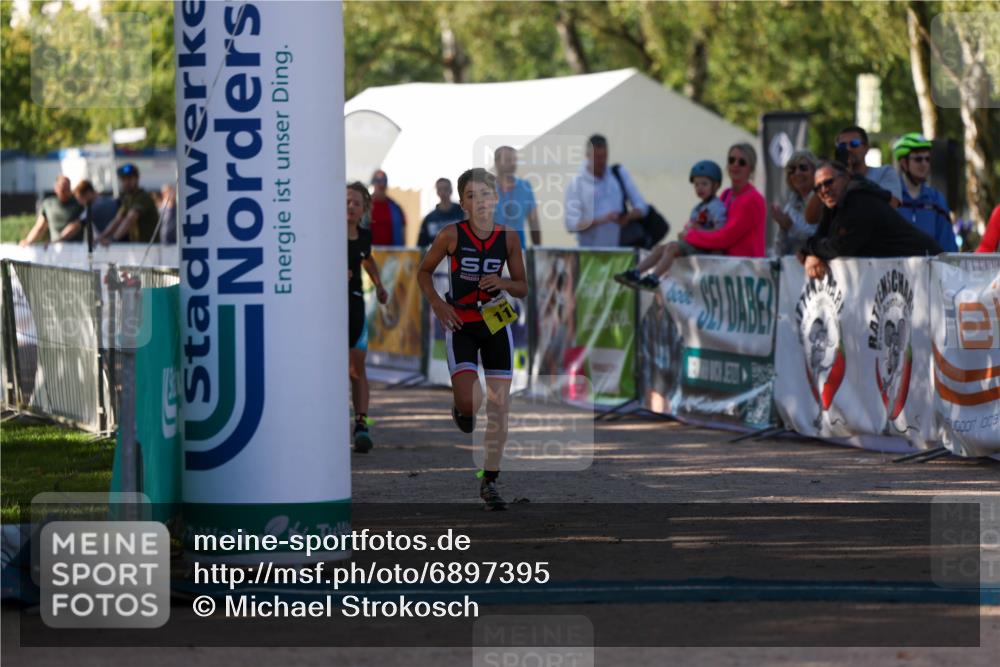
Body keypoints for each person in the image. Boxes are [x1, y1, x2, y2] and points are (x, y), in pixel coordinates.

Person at [416, 168, 528, 510]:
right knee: (470, 404)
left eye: (485, 194)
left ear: (496, 199)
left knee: (499, 407)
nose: (479, 201)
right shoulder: (451, 234)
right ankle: (461, 405)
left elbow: (522, 287)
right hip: (460, 322)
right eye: (471, 196)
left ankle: (490, 481)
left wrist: (503, 282)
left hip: (495, 324)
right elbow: (423, 271)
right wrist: (438, 304)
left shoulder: (508, 237)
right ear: (462, 203)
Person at [800, 161, 942, 280]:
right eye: (817, 188)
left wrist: (810, 249)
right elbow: (821, 237)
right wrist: (812, 252)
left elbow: (841, 247)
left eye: (828, 182)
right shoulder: (834, 203)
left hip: (927, 266)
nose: (824, 190)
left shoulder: (859, 200)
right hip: (909, 269)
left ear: (846, 178)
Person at [614, 159, 727, 290]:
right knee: (660, 248)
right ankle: (636, 272)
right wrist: (686, 234)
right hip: (695, 244)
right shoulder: (697, 208)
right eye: (696, 184)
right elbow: (692, 229)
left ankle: (654, 278)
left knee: (672, 248)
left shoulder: (717, 207)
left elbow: (720, 232)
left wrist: (698, 231)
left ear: (716, 185)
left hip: (704, 248)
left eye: (704, 184)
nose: (699, 188)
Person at [346, 182, 389, 453]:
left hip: (355, 304)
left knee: (357, 367)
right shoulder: (326, 233)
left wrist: (379, 284)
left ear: (364, 209)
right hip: (327, 308)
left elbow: (367, 258)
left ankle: (361, 425)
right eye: (346, 201)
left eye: (356, 203)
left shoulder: (364, 236)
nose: (350, 207)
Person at [564, 134, 649, 248]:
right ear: (587, 156)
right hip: (589, 252)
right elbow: (571, 225)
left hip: (620, 250)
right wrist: (600, 221)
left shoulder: (617, 175)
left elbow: (642, 207)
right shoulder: (577, 184)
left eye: (604, 156)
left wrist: (626, 218)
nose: (602, 161)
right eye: (597, 157)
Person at [892, 133, 957, 252]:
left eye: (927, 159)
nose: (924, 164)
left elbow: (948, 246)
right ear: (903, 163)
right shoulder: (891, 198)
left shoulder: (937, 200)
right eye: (918, 159)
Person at [772, 150, 823, 256]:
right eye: (792, 170)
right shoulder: (791, 204)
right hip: (791, 264)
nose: (797, 173)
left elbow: (818, 237)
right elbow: (780, 247)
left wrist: (790, 226)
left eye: (803, 168)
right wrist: (783, 227)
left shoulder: (823, 199)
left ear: (815, 172)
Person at [835, 125, 902, 205]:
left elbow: (891, 204)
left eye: (854, 143)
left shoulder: (885, 172)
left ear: (866, 148)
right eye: (842, 145)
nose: (848, 148)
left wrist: (854, 178)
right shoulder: (833, 179)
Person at [98, 163, 159, 244]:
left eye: (129, 179)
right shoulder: (128, 199)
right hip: (138, 246)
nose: (126, 183)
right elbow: (117, 220)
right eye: (123, 180)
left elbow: (130, 219)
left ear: (137, 179)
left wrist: (113, 239)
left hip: (150, 246)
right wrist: (101, 237)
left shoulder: (143, 197)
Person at [493, 146, 541, 248]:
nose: (512, 164)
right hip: (492, 245)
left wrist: (537, 249)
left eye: (514, 160)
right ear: (496, 162)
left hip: (518, 245)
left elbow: (534, 221)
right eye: (508, 160)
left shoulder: (525, 186)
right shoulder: (486, 188)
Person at [19, 175, 84, 246]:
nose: (64, 190)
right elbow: (40, 227)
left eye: (66, 187)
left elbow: (76, 226)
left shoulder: (78, 204)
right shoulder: (48, 204)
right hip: (55, 248)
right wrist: (28, 241)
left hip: (75, 248)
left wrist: (59, 240)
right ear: (55, 188)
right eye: (61, 187)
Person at [417, 178, 465, 247]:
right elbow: (422, 246)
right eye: (440, 189)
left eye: (446, 189)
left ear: (451, 190)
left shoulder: (463, 213)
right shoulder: (429, 219)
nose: (443, 192)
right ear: (437, 192)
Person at [369, 169, 406, 246]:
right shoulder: (365, 206)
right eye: (378, 181)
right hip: (369, 251)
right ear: (373, 183)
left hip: (391, 252)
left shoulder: (395, 208)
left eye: (384, 181)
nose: (381, 184)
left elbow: (402, 233)